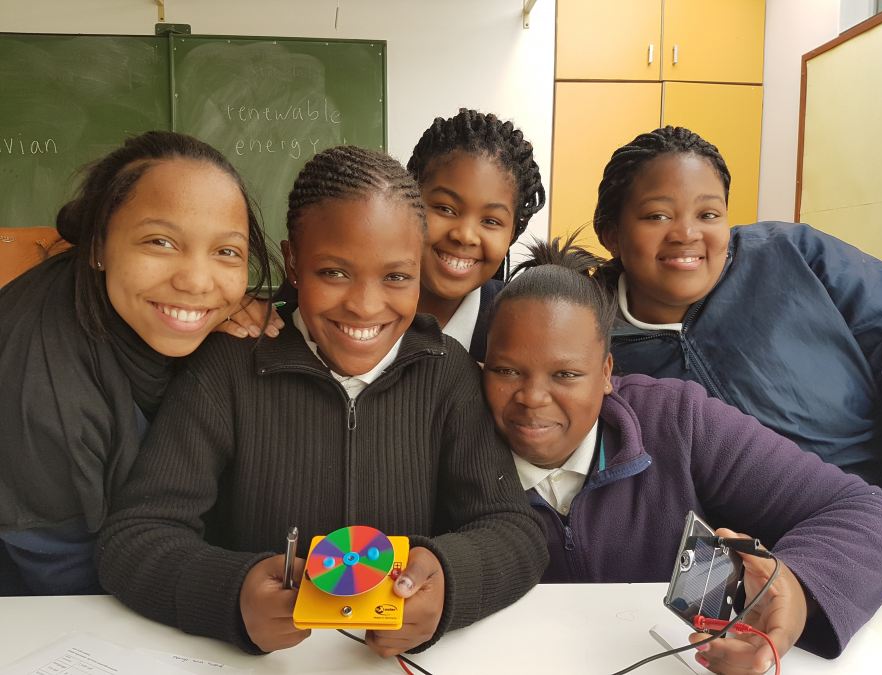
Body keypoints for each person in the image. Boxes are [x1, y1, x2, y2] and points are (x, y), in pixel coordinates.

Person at [96, 146, 547, 657]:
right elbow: (134, 536)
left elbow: (516, 532)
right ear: (292, 262)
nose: (365, 305)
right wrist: (231, 594)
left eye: (396, 277)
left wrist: (449, 583)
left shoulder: (448, 376)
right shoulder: (227, 370)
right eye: (333, 272)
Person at [482, 236, 882, 674]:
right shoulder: (446, 436)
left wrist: (798, 591)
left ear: (606, 372)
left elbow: (860, 510)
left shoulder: (678, 420)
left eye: (566, 374)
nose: (532, 398)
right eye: (506, 371)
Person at [0, 131, 281, 596]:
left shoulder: (178, 319)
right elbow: (67, 583)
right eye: (160, 242)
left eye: (225, 252)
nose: (195, 281)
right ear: (97, 246)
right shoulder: (38, 382)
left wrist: (206, 319)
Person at [591, 125, 882, 510]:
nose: (687, 233)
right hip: (762, 556)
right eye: (657, 216)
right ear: (611, 234)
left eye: (708, 213)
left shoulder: (791, 254)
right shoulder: (590, 342)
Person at [405, 108, 546, 360]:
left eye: (491, 221)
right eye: (445, 208)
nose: (465, 235)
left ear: (513, 232)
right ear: (410, 200)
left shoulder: (522, 325)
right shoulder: (366, 310)